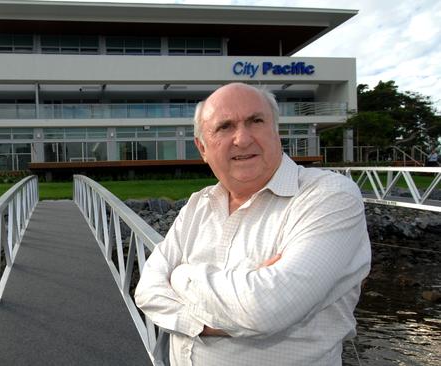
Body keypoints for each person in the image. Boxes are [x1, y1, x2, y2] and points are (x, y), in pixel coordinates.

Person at [134, 83, 371, 366]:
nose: (242, 139)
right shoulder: (199, 205)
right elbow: (147, 290)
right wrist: (220, 318)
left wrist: (181, 276)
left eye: (255, 121)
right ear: (202, 148)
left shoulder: (329, 196)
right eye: (224, 127)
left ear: (276, 131)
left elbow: (267, 309)